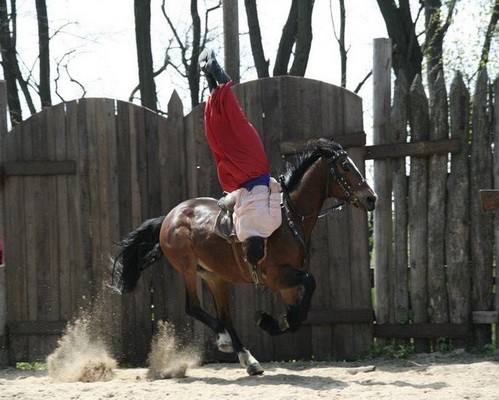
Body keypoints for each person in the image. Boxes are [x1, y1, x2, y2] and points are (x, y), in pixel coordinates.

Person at [198, 49, 282, 267]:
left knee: (238, 122)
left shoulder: (272, 225)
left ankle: (219, 75)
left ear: (263, 250)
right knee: (221, 140)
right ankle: (210, 81)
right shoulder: (241, 232)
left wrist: (273, 183)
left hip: (257, 170)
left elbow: (274, 189)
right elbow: (235, 208)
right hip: (237, 179)